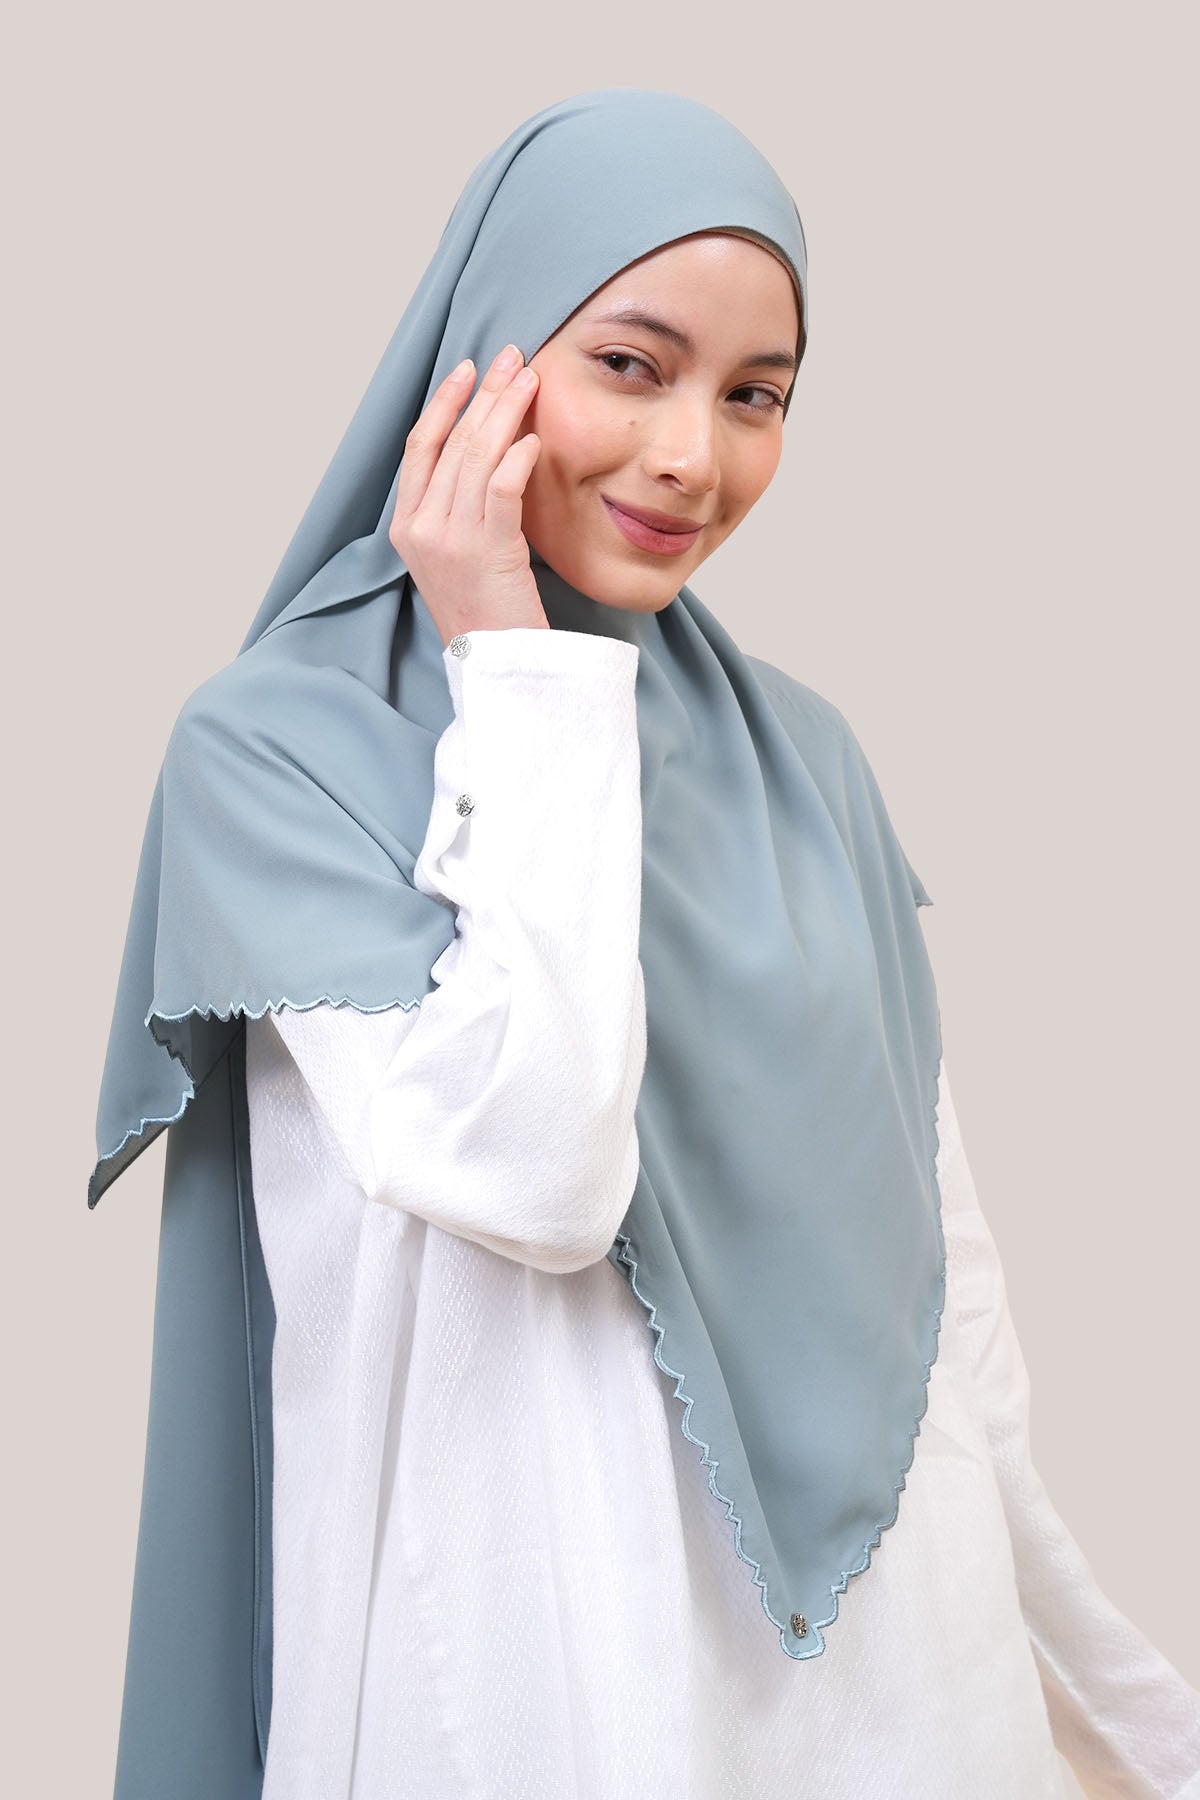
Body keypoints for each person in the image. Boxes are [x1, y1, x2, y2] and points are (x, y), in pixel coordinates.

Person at [91, 90, 1200, 1800]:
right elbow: (535, 1173)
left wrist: (1136, 1723)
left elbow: (947, 1303)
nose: (695, 455)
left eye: (758, 395)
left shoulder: (805, 761)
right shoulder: (277, 753)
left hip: (900, 1682)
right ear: (483, 357)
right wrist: (513, 662)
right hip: (533, 1666)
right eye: (631, 364)